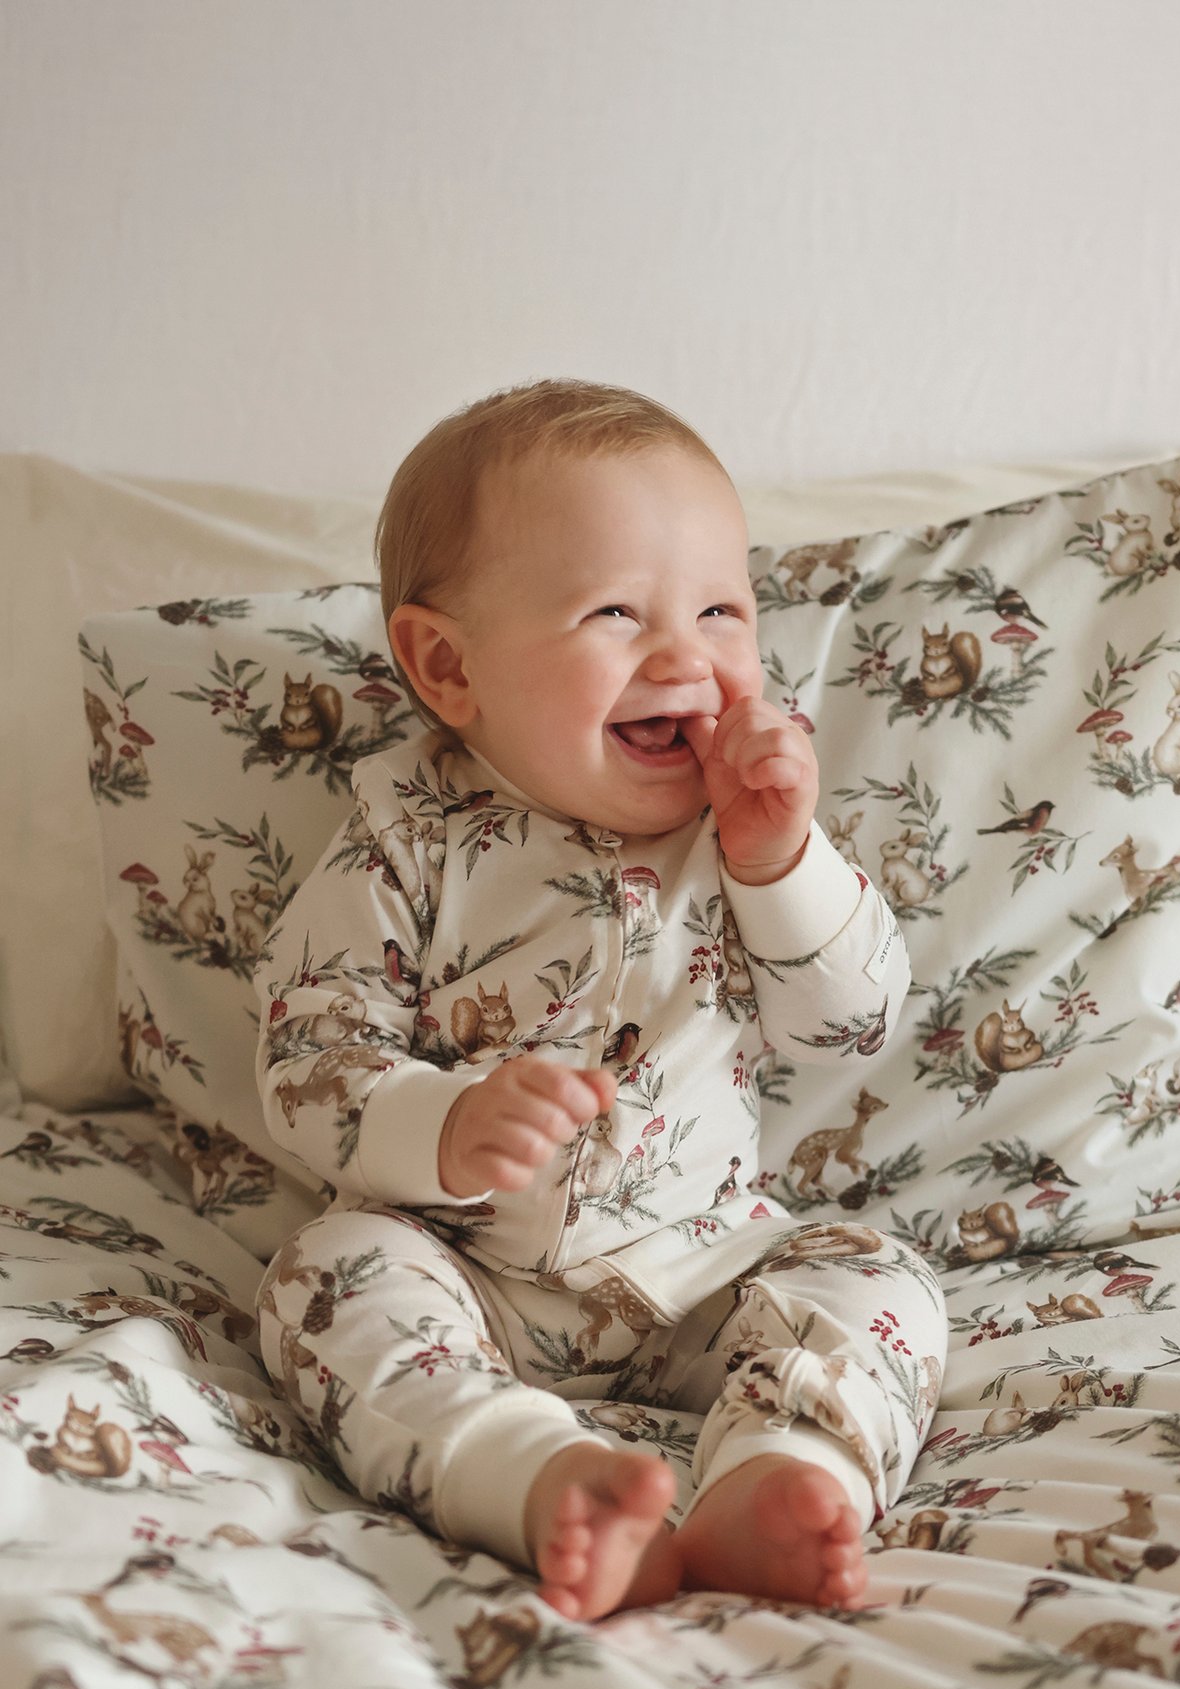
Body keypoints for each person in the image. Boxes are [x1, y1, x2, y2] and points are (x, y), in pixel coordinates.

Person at [252, 378, 946, 1623]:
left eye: (722, 609)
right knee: (325, 1275)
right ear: (447, 666)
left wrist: (781, 860)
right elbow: (309, 1063)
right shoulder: (402, 846)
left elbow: (847, 1025)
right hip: (464, 1271)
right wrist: (443, 1125)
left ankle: (783, 1472)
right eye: (615, 612)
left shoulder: (740, 841)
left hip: (703, 1271)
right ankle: (535, 1478)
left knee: (870, 1275)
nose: (685, 657)